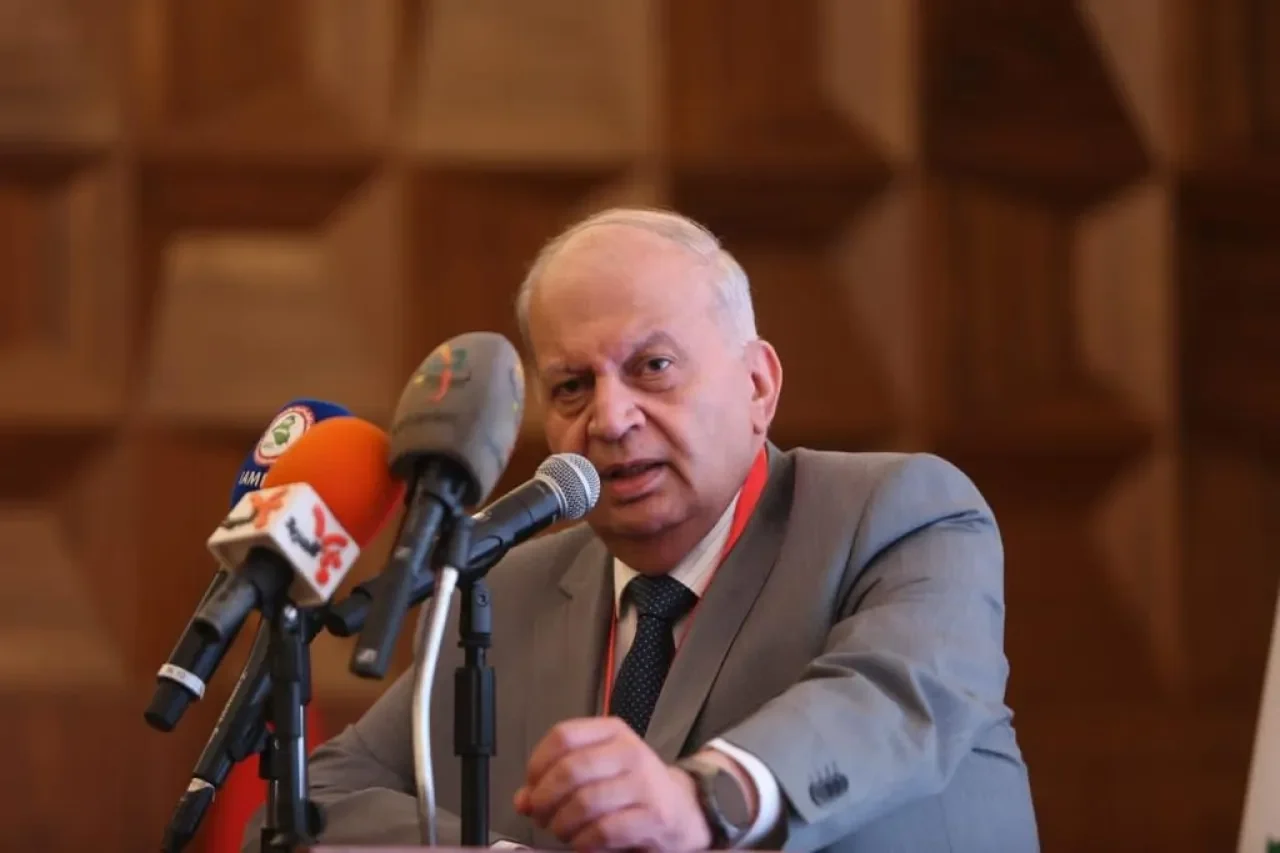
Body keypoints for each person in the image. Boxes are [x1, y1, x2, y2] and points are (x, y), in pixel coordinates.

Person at [242, 207, 1039, 852]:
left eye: (653, 367)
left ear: (758, 385)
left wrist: (704, 797)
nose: (611, 418)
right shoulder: (506, 586)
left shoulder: (899, 512)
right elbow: (318, 799)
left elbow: (894, 695)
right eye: (572, 385)